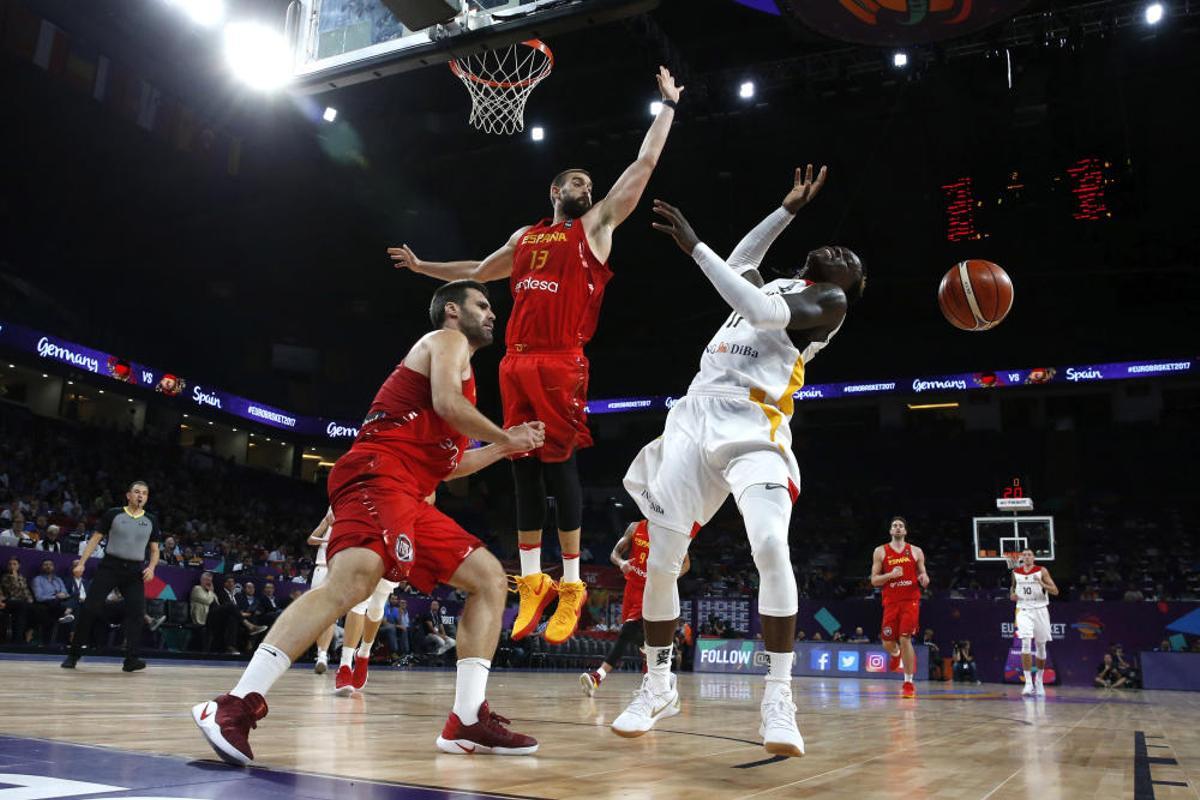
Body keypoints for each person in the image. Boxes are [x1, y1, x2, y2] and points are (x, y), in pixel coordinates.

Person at [389, 67, 685, 646]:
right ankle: (532, 581)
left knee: (558, 463)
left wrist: (667, 108)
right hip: (515, 361)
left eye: (590, 182)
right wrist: (426, 269)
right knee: (517, 459)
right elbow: (477, 270)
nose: (587, 186)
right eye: (578, 180)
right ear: (556, 191)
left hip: (560, 358)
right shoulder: (526, 238)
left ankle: (570, 582)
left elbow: (641, 168)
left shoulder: (596, 228)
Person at [192, 281, 545, 765]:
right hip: (378, 472)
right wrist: (506, 433)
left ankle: (466, 719)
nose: (491, 314)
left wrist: (504, 447)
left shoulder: (463, 375)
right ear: (451, 311)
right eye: (482, 305)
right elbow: (447, 406)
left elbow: (449, 465)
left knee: (487, 578)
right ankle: (233, 704)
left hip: (410, 492)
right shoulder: (446, 343)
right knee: (353, 580)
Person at [612, 165, 864, 758]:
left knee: (770, 545)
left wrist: (694, 246)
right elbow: (744, 259)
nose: (839, 251)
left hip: (755, 424)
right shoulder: (782, 282)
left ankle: (779, 696)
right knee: (662, 561)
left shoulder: (827, 302)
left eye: (851, 257)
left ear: (852, 286)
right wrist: (787, 211)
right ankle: (657, 685)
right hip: (693, 412)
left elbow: (752, 304)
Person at [61, 481, 161, 672]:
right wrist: (81, 563)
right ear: (128, 495)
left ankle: (131, 660)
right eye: (137, 492)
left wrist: (152, 567)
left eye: (144, 493)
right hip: (110, 566)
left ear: (147, 498)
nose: (140, 496)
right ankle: (73, 655)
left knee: (137, 612)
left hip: (134, 571)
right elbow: (95, 538)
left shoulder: (151, 520)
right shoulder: (114, 514)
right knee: (90, 608)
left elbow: (155, 550)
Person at [581, 520, 689, 695]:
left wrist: (670, 577)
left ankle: (597, 677)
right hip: (631, 589)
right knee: (639, 638)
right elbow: (614, 553)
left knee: (626, 632)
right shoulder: (635, 527)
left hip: (650, 590)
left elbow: (686, 564)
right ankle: (654, 678)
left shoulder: (671, 531)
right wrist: (621, 563)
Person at [869, 516, 930, 699]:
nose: (897, 528)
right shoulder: (880, 551)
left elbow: (924, 575)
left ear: (905, 531)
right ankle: (896, 654)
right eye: (894, 525)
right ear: (890, 531)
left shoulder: (916, 551)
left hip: (910, 600)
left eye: (900, 526)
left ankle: (908, 683)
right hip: (890, 602)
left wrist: (924, 579)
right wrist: (891, 574)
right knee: (887, 642)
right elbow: (874, 580)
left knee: (905, 638)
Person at [1010, 548, 1059, 696]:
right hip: (1023, 609)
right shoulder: (1015, 572)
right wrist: (1012, 594)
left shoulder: (1042, 571)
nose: (1026, 557)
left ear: (1034, 557)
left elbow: (1055, 591)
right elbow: (1013, 587)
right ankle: (1028, 683)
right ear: (1021, 558)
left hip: (1040, 609)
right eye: (1024, 555)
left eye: (1029, 555)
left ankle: (1039, 680)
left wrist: (1043, 585)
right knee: (1025, 642)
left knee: (1041, 646)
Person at [306, 508, 335, 674]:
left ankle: (323, 655)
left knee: (331, 615)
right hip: (321, 568)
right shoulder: (328, 518)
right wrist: (327, 540)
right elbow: (311, 539)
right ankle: (320, 653)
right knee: (318, 616)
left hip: (337, 569)